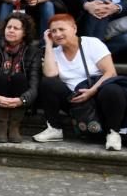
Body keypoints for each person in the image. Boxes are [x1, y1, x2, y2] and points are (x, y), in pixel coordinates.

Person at [33, 14, 126, 151]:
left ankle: (113, 133)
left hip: (97, 94)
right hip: (74, 100)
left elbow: (110, 72)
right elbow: (50, 74)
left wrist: (92, 91)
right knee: (48, 83)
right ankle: (54, 128)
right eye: (53, 31)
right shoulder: (55, 52)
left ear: (74, 28)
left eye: (61, 29)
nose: (57, 34)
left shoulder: (92, 43)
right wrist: (48, 44)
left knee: (112, 90)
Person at [0, 12, 41, 143]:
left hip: (21, 97)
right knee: (1, 76)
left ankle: (14, 125)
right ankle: (1, 125)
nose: (11, 30)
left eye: (16, 28)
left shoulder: (33, 52)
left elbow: (35, 84)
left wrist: (22, 100)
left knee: (19, 78)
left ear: (25, 32)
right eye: (9, 27)